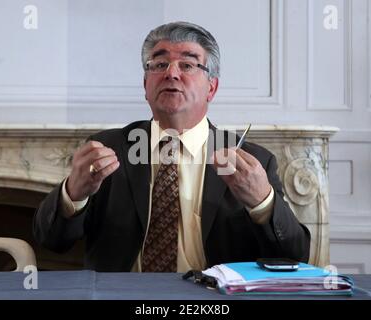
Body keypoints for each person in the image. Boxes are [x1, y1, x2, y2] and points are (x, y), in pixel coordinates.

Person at [33, 21, 310, 272]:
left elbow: (293, 256)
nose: (171, 74)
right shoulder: (109, 148)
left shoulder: (249, 159)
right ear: (145, 84)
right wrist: (73, 194)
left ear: (211, 88)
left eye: (188, 65)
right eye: (159, 64)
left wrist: (263, 203)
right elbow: (51, 241)